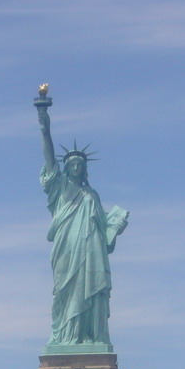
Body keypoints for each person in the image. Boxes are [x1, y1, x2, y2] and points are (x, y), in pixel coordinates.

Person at [36, 98, 128, 347]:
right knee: (66, 291)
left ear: (84, 168)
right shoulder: (60, 188)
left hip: (92, 249)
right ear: (65, 168)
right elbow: (48, 157)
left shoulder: (92, 195)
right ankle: (67, 336)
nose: (75, 167)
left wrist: (115, 228)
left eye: (80, 164)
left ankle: (88, 334)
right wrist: (44, 123)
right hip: (68, 246)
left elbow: (103, 231)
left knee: (91, 288)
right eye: (71, 164)